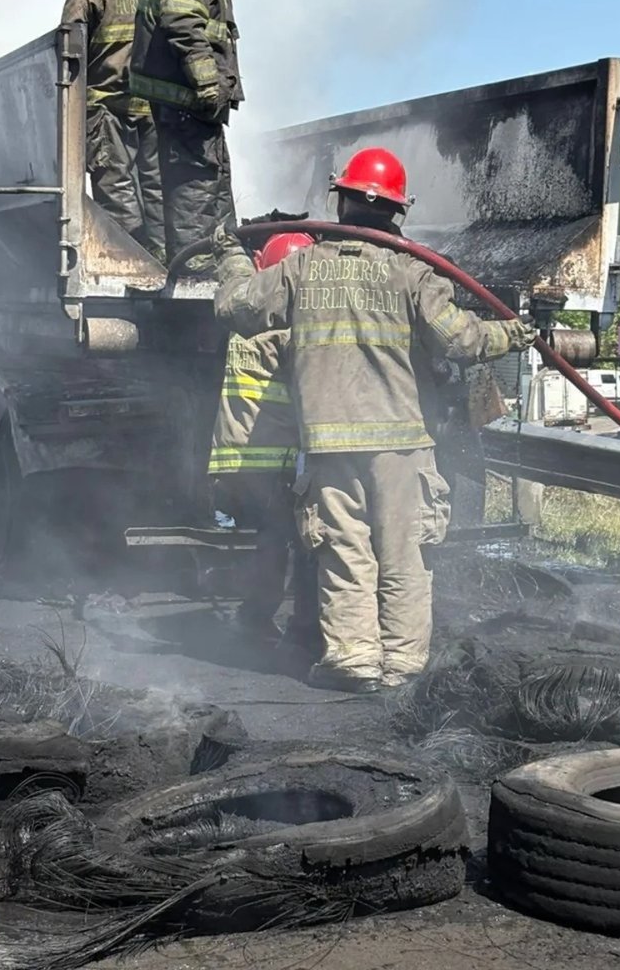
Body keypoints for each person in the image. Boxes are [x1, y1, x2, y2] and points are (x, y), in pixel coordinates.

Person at [211, 148, 537, 693]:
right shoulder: (413, 272)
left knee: (345, 551)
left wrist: (230, 254)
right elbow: (460, 339)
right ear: (397, 210)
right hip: (402, 445)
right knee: (404, 552)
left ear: (340, 200)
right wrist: (512, 333)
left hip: (330, 444)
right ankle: (403, 664)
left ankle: (354, 658)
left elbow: (236, 306)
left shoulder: (302, 268)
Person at [130, 0, 259, 267]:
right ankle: (195, 270)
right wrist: (207, 82)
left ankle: (218, 264)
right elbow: (182, 21)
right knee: (195, 188)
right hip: (187, 100)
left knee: (212, 185)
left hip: (193, 103)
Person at [208, 231, 319, 651]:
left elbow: (238, 281)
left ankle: (257, 617)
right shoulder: (291, 329)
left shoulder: (245, 317)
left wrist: (229, 250)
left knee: (272, 539)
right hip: (277, 462)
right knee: (304, 541)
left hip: (237, 459)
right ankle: (298, 627)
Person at [62, 0, 165, 259]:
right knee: (159, 188)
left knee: (116, 189)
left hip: (106, 109)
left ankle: (133, 262)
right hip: (156, 108)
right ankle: (165, 260)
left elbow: (67, 50)